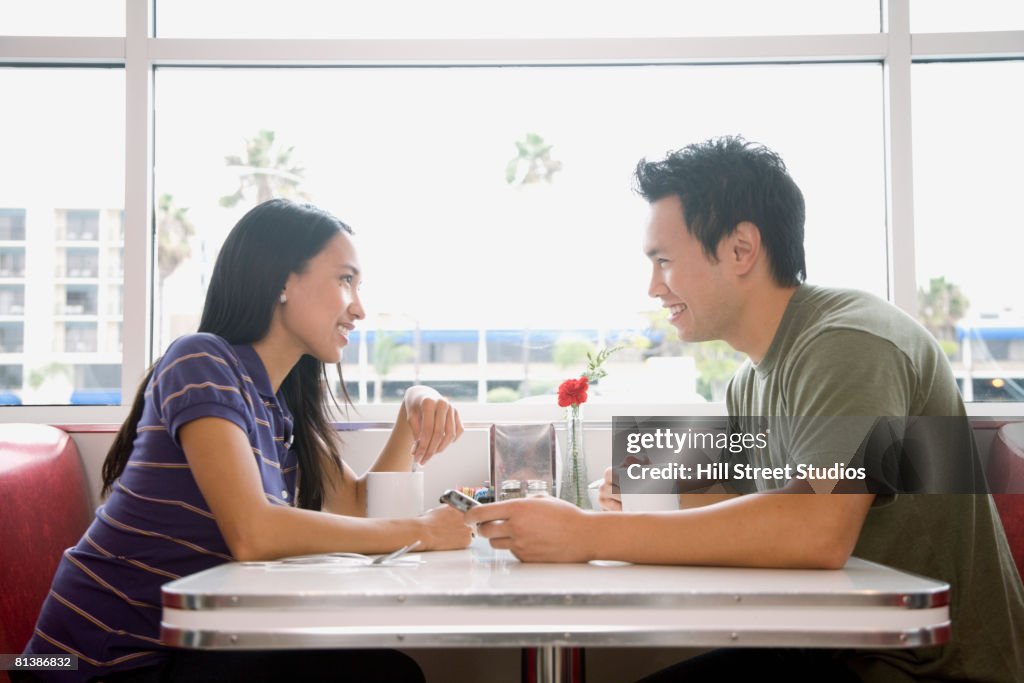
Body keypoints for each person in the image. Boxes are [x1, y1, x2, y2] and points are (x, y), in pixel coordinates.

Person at [466, 136, 1024, 682]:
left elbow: (815, 531)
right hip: (827, 649)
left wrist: (584, 534)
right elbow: (745, 500)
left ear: (740, 249)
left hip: (923, 666)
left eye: (663, 261)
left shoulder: (852, 343)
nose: (654, 287)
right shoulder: (746, 380)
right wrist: (647, 487)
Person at [21, 199, 472, 683]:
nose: (358, 308)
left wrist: (411, 409)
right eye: (345, 280)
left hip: (178, 653)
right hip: (90, 666)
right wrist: (423, 531)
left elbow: (362, 507)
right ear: (283, 281)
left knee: (379, 667)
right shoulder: (200, 362)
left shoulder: (277, 410)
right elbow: (254, 534)